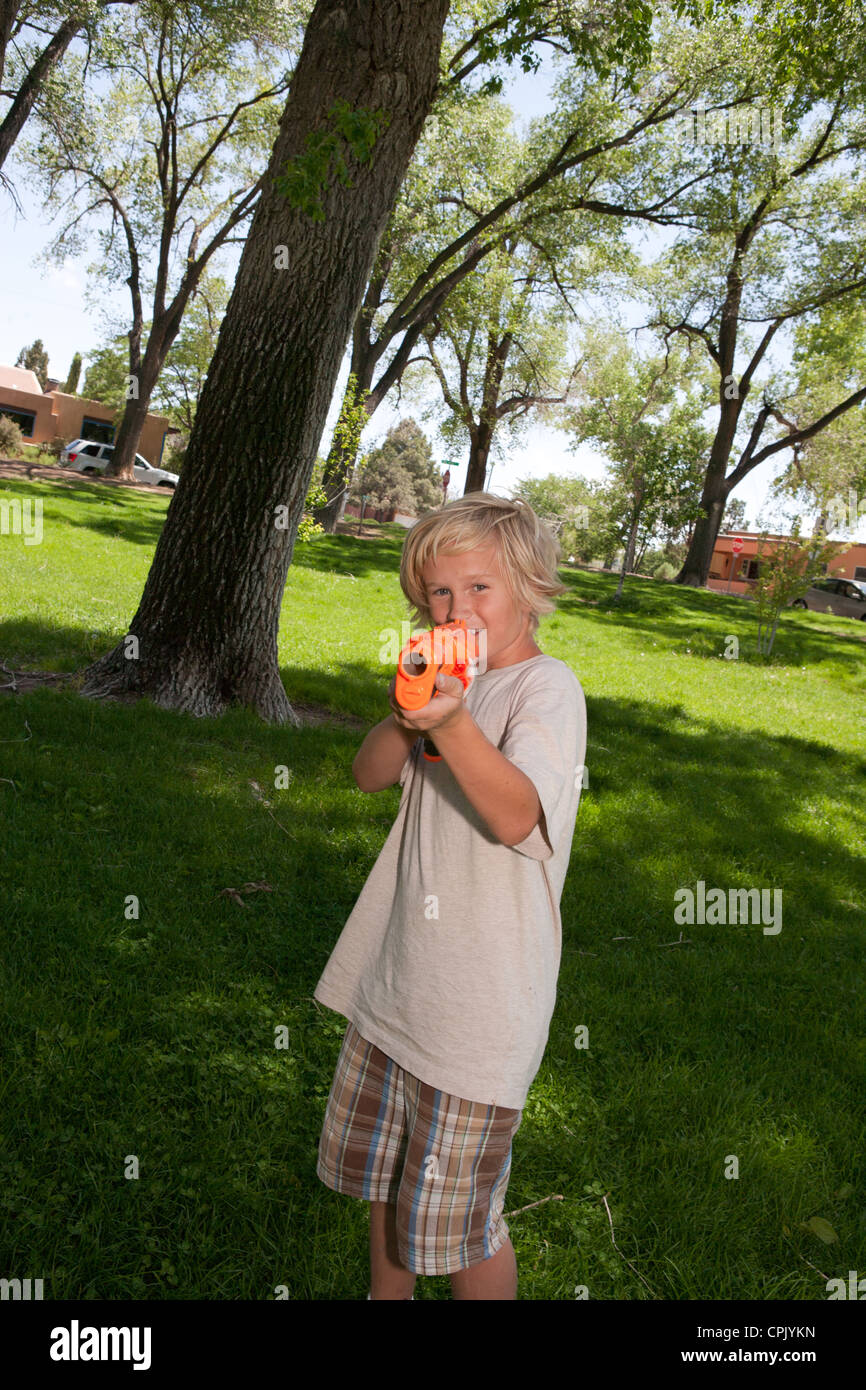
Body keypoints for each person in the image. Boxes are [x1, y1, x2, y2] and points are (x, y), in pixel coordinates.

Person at [313, 492, 588, 1300]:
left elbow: (513, 816)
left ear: (531, 589)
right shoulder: (444, 686)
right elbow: (367, 776)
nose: (456, 608)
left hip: (480, 1016)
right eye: (439, 592)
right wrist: (410, 717)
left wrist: (452, 722)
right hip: (399, 990)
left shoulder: (548, 690)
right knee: (389, 1182)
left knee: (463, 1225)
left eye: (479, 589)